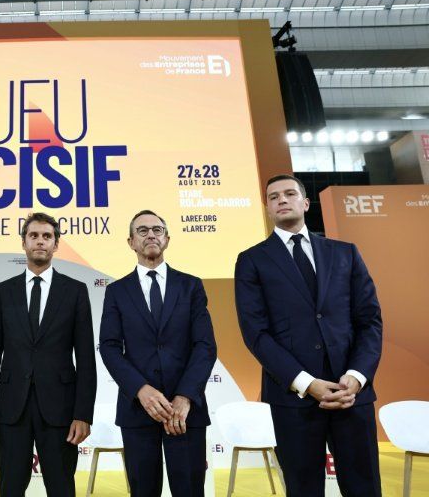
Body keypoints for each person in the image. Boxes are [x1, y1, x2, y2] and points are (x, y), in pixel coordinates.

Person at [234, 174, 383, 497]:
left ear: (305, 202)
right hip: (293, 398)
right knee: (303, 489)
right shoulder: (252, 261)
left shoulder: (345, 253)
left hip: (351, 394)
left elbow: (369, 321)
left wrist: (357, 376)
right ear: (267, 208)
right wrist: (306, 383)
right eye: (273, 197)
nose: (281, 200)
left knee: (365, 487)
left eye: (289, 194)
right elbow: (256, 333)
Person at [0, 212, 97, 497]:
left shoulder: (75, 291)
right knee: (10, 487)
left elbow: (86, 359)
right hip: (11, 409)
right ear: (24, 243)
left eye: (47, 236)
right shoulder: (3, 292)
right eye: (33, 236)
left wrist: (83, 414)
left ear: (56, 244)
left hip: (61, 409)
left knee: (62, 488)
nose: (40, 241)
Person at [99, 210, 217, 497]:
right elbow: (110, 347)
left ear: (167, 239)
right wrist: (141, 390)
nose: (150, 234)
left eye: (157, 230)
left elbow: (205, 345)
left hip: (185, 411)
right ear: (131, 242)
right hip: (137, 410)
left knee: (190, 490)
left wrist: (185, 396)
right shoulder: (116, 291)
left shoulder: (191, 285)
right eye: (142, 230)